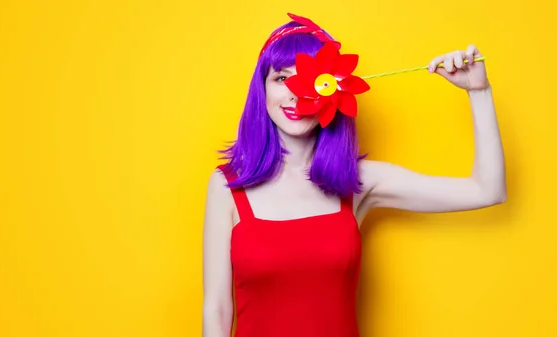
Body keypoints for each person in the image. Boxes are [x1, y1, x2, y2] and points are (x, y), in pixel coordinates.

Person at [202, 13, 506, 337]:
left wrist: (479, 91)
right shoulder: (227, 186)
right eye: (281, 78)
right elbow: (217, 312)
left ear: (334, 88)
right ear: (261, 90)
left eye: (311, 77)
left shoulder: (357, 182)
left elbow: (487, 190)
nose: (295, 93)